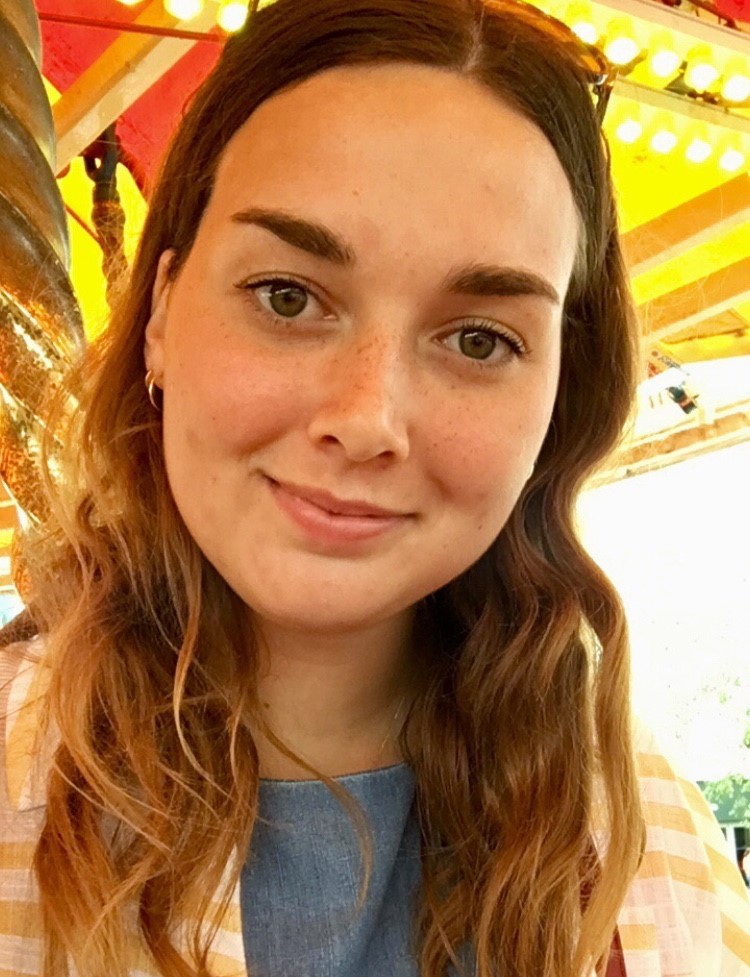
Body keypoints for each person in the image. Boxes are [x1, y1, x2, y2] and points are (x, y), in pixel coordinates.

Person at [0, 1, 748, 975]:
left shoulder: (644, 834)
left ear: (560, 398)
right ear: (162, 316)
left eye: (479, 339)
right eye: (287, 296)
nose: (365, 418)